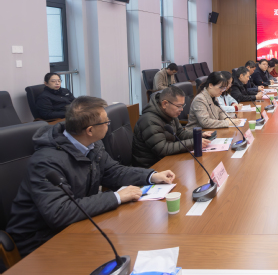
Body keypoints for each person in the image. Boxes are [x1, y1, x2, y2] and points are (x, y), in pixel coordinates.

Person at [6, 96, 176, 257]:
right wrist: (116, 197)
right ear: (90, 130)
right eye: (106, 122)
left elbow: (113, 172)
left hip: (77, 225)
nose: (109, 125)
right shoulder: (46, 162)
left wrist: (151, 176)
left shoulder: (92, 144)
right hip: (40, 240)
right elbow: (59, 212)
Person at [132, 86, 214, 168]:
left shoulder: (170, 113)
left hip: (167, 160)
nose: (181, 109)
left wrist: (199, 135)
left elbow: (180, 134)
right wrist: (194, 143)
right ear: (165, 104)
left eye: (183, 105)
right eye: (179, 106)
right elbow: (163, 149)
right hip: (151, 167)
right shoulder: (149, 120)